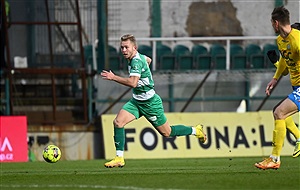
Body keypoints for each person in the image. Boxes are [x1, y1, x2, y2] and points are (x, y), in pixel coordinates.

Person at [101, 34, 206, 168]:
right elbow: (148, 60)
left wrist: (113, 77)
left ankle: (195, 130)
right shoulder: (138, 58)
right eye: (122, 47)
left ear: (134, 48)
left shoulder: (136, 61)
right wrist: (145, 70)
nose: (123, 50)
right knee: (118, 122)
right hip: (137, 102)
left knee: (167, 133)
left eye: (126, 47)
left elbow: (133, 83)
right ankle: (119, 158)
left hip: (150, 104)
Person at [254, 6, 300, 170]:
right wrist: (275, 79)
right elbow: (285, 65)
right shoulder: (281, 40)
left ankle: (275, 158)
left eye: (271, 23)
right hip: (296, 86)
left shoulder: (297, 40)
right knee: (279, 111)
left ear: (276, 23)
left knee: (279, 112)